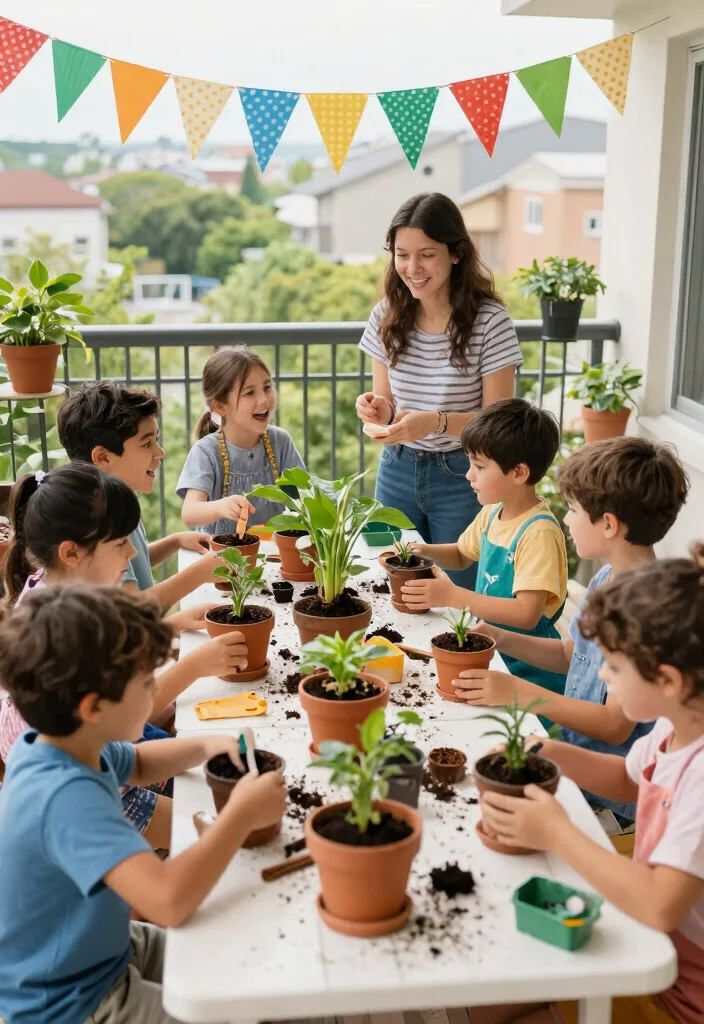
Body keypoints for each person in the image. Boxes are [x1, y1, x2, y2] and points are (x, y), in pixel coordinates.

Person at [0, 585, 287, 1024]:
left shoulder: (59, 745)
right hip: (72, 1002)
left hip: (102, 947)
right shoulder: (66, 800)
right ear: (94, 706)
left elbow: (136, 763)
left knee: (239, 959)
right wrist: (240, 813)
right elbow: (168, 901)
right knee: (229, 1004)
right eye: (146, 681)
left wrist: (206, 744)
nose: (157, 689)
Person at [474, 547, 704, 1024]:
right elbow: (627, 779)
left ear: (667, 679)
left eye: (614, 668)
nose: (602, 675)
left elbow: (661, 906)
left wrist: (559, 833)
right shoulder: (675, 723)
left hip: (677, 992)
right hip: (653, 942)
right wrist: (554, 753)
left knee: (503, 983)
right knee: (489, 993)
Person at [0, 464, 248, 850]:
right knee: (198, 821)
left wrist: (171, 627)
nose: (132, 553)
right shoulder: (59, 626)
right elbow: (128, 711)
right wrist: (196, 665)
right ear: (71, 552)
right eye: (120, 544)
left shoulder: (65, 593)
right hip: (85, 777)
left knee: (197, 771)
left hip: (101, 749)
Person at [453, 437, 690, 832]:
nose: (566, 519)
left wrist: (518, 693)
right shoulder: (606, 578)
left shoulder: (646, 613)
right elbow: (571, 654)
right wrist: (503, 638)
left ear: (608, 523)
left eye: (575, 510)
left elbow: (615, 725)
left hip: (613, 808)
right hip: (582, 769)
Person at [355, 192, 521, 589]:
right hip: (397, 468)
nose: (412, 268)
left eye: (427, 254)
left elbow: (499, 426)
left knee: (457, 594)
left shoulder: (490, 321)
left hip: (464, 476)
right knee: (390, 585)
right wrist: (377, 410)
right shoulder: (387, 314)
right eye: (402, 254)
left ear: (456, 254)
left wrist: (435, 423)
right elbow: (389, 407)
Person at [402, 398, 568, 698]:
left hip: (529, 673)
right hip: (494, 654)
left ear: (518, 473)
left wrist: (452, 595)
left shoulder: (538, 532)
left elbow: (526, 614)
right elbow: (462, 556)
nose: (469, 475)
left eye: (479, 466)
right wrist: (421, 551)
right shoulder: (494, 513)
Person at [57, 381, 222, 603]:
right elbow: (136, 611)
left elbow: (134, 561)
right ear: (103, 457)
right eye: (146, 444)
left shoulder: (115, 502)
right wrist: (201, 572)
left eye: (157, 440)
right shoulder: (102, 519)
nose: (160, 452)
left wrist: (175, 541)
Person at [177, 347, 305, 535]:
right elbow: (190, 513)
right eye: (249, 393)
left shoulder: (281, 442)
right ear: (220, 406)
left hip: (272, 555)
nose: (264, 400)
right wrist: (221, 507)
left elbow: (303, 498)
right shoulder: (206, 451)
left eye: (267, 387)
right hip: (220, 557)